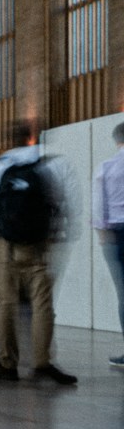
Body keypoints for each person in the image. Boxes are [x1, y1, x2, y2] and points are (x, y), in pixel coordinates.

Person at [0, 123, 76, 384]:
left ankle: (7, 363)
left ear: (8, 139)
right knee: (42, 304)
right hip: (39, 245)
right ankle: (42, 363)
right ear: (32, 138)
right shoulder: (51, 165)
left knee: (4, 303)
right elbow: (65, 203)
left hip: (2, 244)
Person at [93, 121, 124, 370]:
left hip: (116, 233)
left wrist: (103, 233)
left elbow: (98, 207)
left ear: (116, 141)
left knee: (123, 293)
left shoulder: (106, 167)